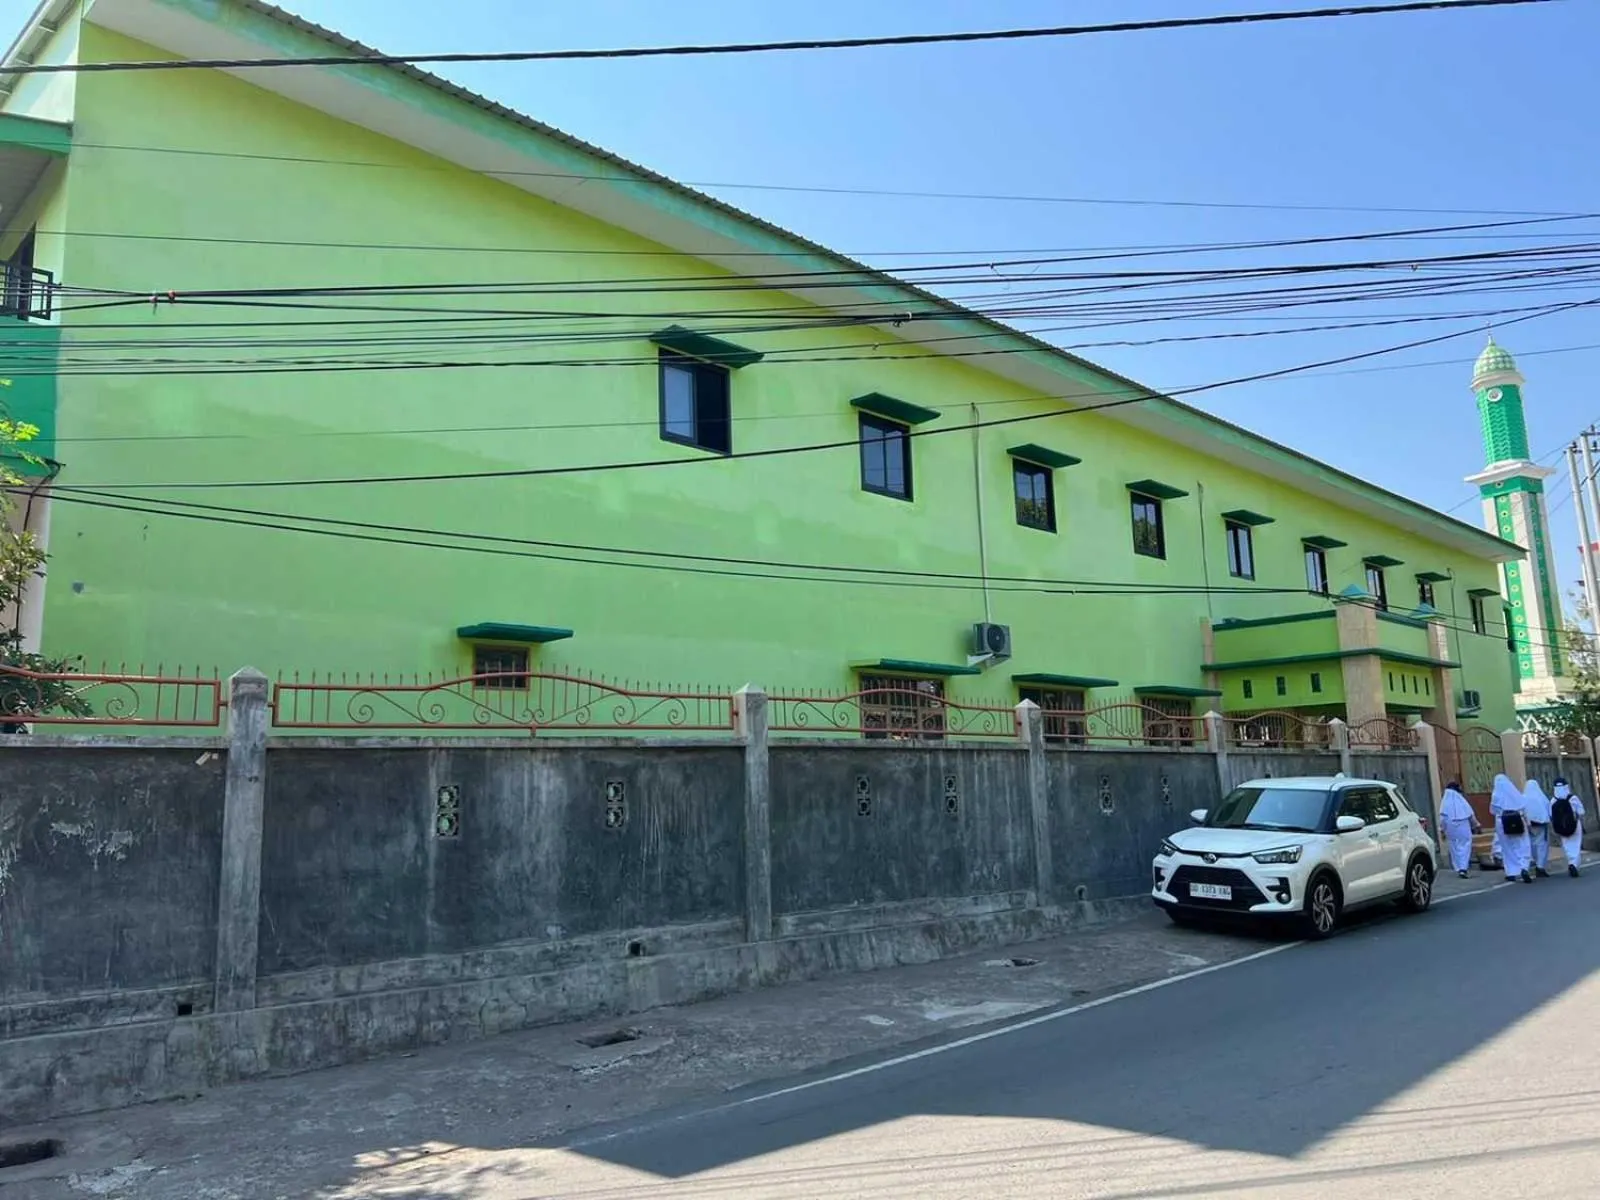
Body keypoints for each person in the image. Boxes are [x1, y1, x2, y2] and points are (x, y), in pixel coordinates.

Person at [1490, 773, 1533, 883]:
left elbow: (1493, 811)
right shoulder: (1515, 793)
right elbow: (1524, 808)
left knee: (1507, 849)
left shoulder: (1496, 795)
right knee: (1523, 845)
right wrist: (1528, 823)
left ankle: (1512, 872)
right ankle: (1524, 867)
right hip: (1518, 819)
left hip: (1502, 821)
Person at [1438, 782, 1479, 878]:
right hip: (1463, 825)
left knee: (1454, 846)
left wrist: (1442, 830)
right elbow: (1470, 815)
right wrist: (1476, 825)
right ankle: (1463, 868)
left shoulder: (1445, 802)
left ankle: (1459, 867)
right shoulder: (1461, 801)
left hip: (1450, 826)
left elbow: (1442, 819)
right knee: (1465, 845)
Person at [1551, 778, 1585, 877]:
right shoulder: (1572, 798)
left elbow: (1551, 815)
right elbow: (1581, 812)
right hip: (1574, 824)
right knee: (1576, 844)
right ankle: (1574, 864)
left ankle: (1570, 861)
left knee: (1567, 845)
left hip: (1561, 826)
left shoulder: (1553, 800)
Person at [1524, 779, 1554, 878]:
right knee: (1542, 846)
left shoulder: (1523, 798)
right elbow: (1549, 810)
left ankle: (1534, 861)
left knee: (1531, 844)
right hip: (1541, 825)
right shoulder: (1542, 797)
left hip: (1529, 826)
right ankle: (1540, 866)